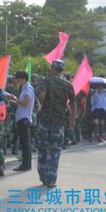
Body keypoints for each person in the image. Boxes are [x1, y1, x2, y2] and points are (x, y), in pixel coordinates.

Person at [35, 60, 76, 189]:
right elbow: (73, 103)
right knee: (54, 150)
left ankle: (42, 176)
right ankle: (51, 180)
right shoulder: (67, 84)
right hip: (59, 121)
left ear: (53, 68)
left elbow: (41, 96)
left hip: (45, 120)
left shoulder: (45, 81)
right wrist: (73, 119)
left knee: (42, 148)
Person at [9, 71, 34, 172]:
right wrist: (12, 101)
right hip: (21, 118)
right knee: (24, 143)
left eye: (18, 79)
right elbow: (21, 104)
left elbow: (26, 103)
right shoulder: (24, 88)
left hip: (24, 119)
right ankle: (26, 164)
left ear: (23, 79)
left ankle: (25, 165)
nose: (17, 81)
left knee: (25, 143)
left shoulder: (28, 88)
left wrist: (16, 99)